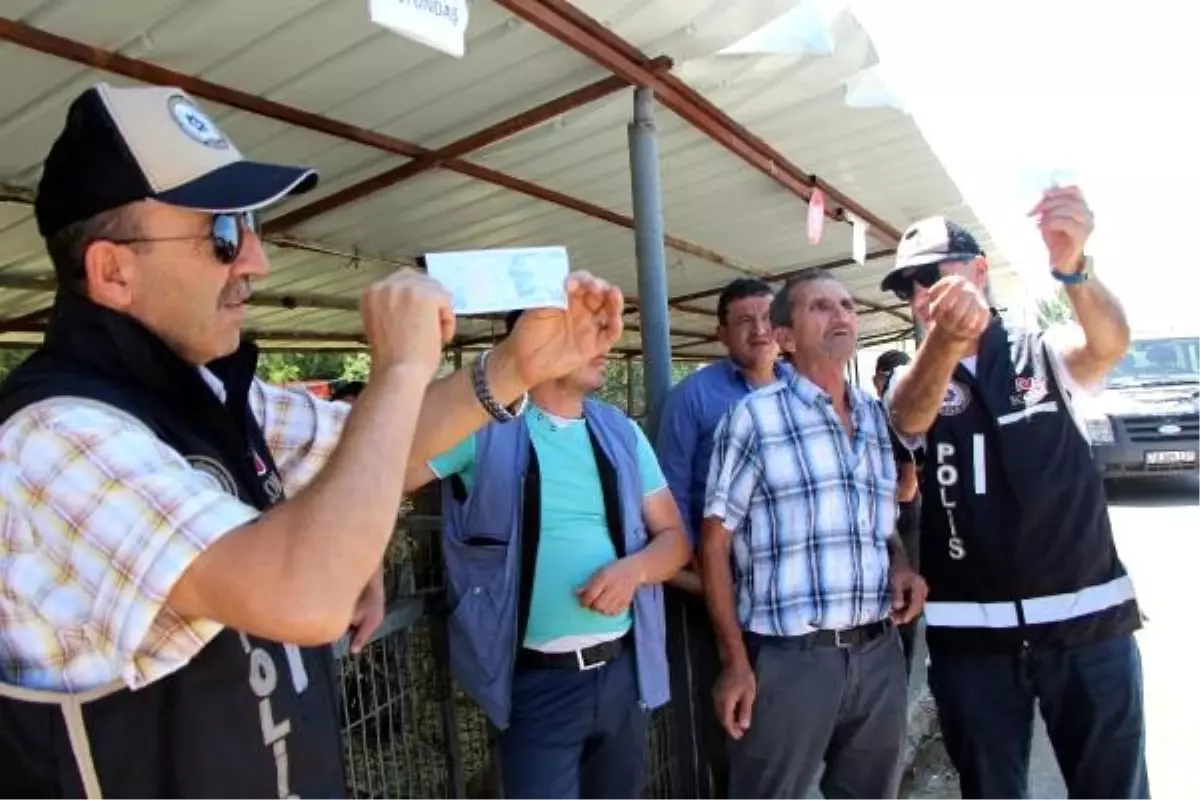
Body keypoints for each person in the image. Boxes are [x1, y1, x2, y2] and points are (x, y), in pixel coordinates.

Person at [0, 82, 623, 799]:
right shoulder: (55, 438)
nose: (257, 261)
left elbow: (387, 449)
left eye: (251, 225)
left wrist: (517, 367)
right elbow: (305, 597)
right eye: (224, 234)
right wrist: (396, 370)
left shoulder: (208, 393)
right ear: (113, 270)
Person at [880, 190, 1148, 800]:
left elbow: (1108, 345)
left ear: (979, 272)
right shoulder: (911, 374)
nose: (922, 294)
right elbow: (909, 419)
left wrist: (1074, 267)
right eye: (908, 287)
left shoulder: (1043, 352)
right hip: (971, 642)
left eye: (932, 274)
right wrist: (947, 342)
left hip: (1088, 628)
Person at [405, 310, 690, 800]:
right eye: (586, 333)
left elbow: (675, 540)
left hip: (621, 674)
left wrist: (635, 569)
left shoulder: (621, 431)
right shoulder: (483, 425)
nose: (607, 344)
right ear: (535, 344)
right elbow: (393, 470)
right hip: (535, 682)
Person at [701, 270, 927, 800]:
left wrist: (899, 565)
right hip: (788, 662)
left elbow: (878, 522)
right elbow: (712, 545)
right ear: (784, 338)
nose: (842, 314)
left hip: (877, 655)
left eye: (848, 304)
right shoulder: (752, 419)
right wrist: (735, 662)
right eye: (821, 307)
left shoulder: (875, 417)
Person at [654, 277, 788, 798]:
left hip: (782, 592)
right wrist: (699, 583)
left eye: (766, 318)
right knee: (724, 722)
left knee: (782, 718)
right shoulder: (693, 399)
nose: (758, 331)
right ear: (721, 334)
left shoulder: (799, 389)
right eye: (743, 322)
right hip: (713, 590)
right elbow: (671, 496)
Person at [873, 348, 924, 678]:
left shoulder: (893, 417)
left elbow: (908, 486)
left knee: (900, 610)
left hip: (901, 528)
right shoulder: (876, 413)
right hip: (896, 525)